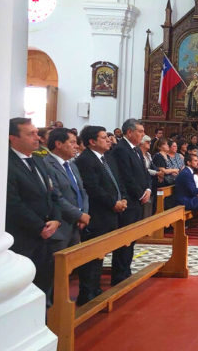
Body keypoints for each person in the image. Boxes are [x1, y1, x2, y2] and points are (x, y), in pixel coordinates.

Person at [7, 118, 63, 307]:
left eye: (37, 133)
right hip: (24, 237)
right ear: (13, 138)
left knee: (44, 282)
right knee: (24, 289)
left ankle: (43, 316)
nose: (38, 138)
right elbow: (13, 203)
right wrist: (40, 227)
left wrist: (56, 220)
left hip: (47, 236)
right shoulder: (6, 164)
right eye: (30, 134)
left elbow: (53, 194)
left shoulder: (39, 161)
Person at [74, 126, 128, 306]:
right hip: (97, 214)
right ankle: (87, 293)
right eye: (104, 138)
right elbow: (93, 188)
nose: (109, 140)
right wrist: (113, 203)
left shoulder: (108, 157)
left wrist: (123, 198)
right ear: (92, 142)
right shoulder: (85, 160)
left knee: (101, 253)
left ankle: (96, 289)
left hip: (111, 213)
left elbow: (118, 181)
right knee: (92, 255)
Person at [110, 119, 151, 286]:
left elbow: (145, 173)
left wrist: (148, 189)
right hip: (130, 201)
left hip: (138, 201)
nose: (142, 134)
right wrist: (140, 194)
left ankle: (126, 270)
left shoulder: (136, 149)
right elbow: (126, 177)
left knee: (132, 239)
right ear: (129, 132)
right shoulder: (121, 149)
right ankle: (119, 275)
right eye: (140, 131)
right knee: (124, 240)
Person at [43, 128, 90, 250]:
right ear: (58, 144)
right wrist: (79, 214)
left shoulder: (72, 165)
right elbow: (56, 196)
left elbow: (82, 191)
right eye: (72, 142)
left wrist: (84, 213)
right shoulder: (46, 165)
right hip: (60, 227)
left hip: (76, 225)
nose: (77, 146)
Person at [140, 135, 163, 217]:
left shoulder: (148, 155)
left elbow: (152, 165)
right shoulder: (139, 154)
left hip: (151, 181)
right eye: (147, 142)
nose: (150, 143)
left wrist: (159, 172)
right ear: (141, 143)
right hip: (143, 180)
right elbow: (144, 169)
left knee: (150, 205)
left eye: (150, 142)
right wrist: (156, 173)